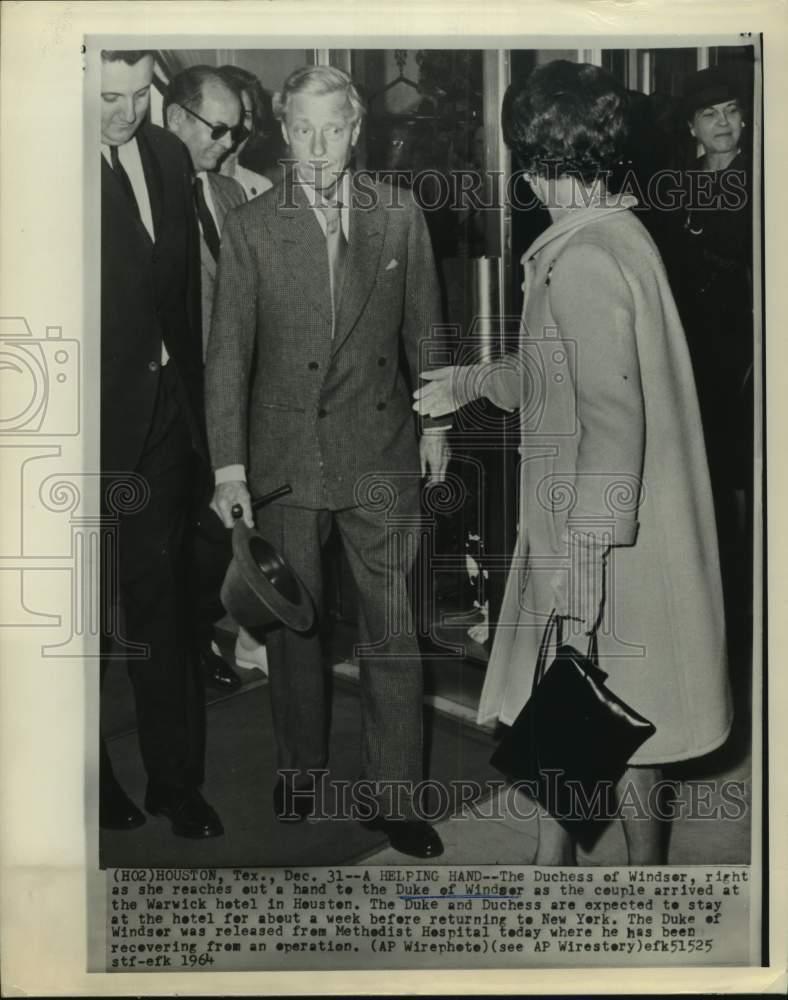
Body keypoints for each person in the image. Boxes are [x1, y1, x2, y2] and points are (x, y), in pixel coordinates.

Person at [414, 60, 733, 865]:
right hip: (623, 521)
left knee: (615, 706)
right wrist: (471, 381)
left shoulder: (584, 260)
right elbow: (562, 374)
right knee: (584, 701)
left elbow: (612, 417)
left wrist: (585, 558)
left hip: (603, 530)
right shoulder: (612, 234)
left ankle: (634, 877)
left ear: (533, 155)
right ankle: (556, 861)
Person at [205, 65, 450, 859]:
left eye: (332, 129)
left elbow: (427, 335)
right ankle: (302, 769)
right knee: (293, 633)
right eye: (300, 129)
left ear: (355, 132)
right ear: (283, 132)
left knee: (394, 631)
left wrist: (437, 425)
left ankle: (397, 793)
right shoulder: (250, 226)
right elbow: (226, 361)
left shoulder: (399, 214)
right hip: (285, 459)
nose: (317, 146)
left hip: (380, 451)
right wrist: (229, 470)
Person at [100, 50, 222, 837]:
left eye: (138, 93)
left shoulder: (170, 154)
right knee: (72, 620)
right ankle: (89, 777)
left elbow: (179, 293)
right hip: (78, 425)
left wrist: (198, 412)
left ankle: (175, 782)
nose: (124, 111)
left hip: (166, 420)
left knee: (164, 609)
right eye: (107, 96)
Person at [165, 66, 268, 687]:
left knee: (219, 527)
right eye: (219, 129)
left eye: (236, 131)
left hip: (228, 390)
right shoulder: (141, 200)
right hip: (173, 396)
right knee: (180, 532)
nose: (229, 142)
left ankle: (202, 629)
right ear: (177, 117)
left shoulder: (231, 197)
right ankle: (185, 644)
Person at [671, 66, 753, 629]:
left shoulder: (764, 177)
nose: (723, 123)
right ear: (692, 127)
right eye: (710, 114)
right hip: (688, 343)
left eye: (731, 110)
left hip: (742, 350)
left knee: (737, 469)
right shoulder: (678, 182)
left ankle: (745, 592)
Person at [218, 65, 275, 200]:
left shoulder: (263, 188)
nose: (236, 126)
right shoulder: (190, 182)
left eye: (246, 116)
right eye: (228, 114)